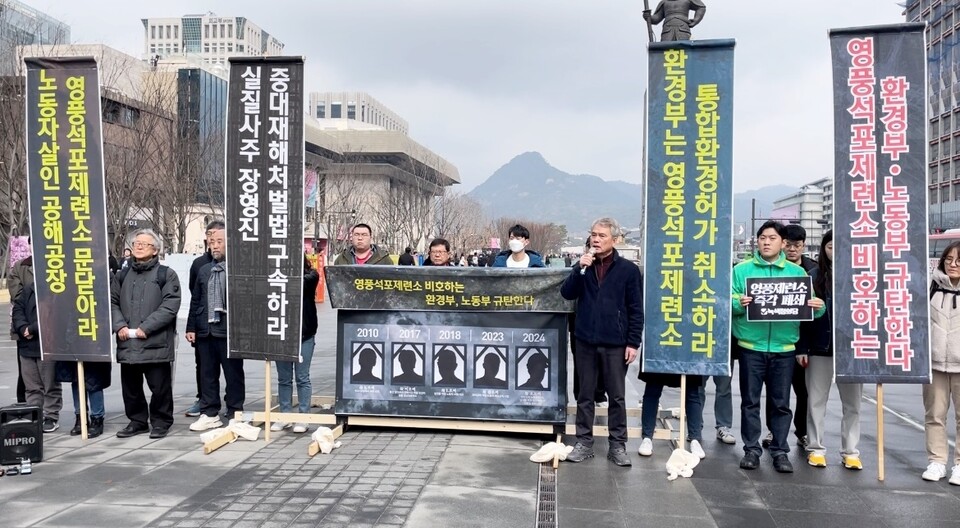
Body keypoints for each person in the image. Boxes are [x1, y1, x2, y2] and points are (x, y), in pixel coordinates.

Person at [733, 221, 825, 473]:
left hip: (785, 348)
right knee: (750, 401)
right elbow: (729, 303)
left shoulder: (798, 275)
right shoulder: (742, 270)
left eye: (771, 238)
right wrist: (739, 303)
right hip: (751, 346)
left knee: (781, 403)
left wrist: (819, 308)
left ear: (783, 243)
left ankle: (780, 451)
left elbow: (813, 310)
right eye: (762, 237)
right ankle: (751, 449)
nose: (765, 242)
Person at [561, 217, 643, 467]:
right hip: (585, 339)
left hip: (615, 342)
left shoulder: (628, 270)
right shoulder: (584, 266)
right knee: (585, 394)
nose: (596, 239)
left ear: (614, 240)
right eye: (593, 235)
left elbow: (635, 309)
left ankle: (617, 445)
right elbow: (567, 293)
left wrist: (633, 342)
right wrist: (578, 269)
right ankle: (584, 442)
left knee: (617, 396)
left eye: (602, 236)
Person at [796, 230, 863, 470]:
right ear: (824, 249)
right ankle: (815, 448)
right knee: (815, 401)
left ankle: (850, 451)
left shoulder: (862, 277)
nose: (835, 251)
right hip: (818, 348)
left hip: (853, 351)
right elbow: (802, 317)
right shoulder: (813, 277)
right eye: (831, 246)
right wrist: (801, 348)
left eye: (841, 246)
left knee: (853, 404)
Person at [111, 229, 181, 439]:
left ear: (155, 250)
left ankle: (161, 421)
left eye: (144, 244)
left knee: (160, 387)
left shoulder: (166, 274)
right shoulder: (122, 275)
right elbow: (112, 302)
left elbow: (170, 305)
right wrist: (120, 326)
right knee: (131, 388)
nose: (138, 246)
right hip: (128, 341)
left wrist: (146, 327)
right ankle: (137, 421)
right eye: (136, 243)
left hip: (155, 342)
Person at [760, 224, 817, 449]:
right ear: (783, 244)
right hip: (776, 343)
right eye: (789, 245)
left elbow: (814, 312)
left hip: (802, 344)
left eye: (798, 245)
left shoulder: (811, 271)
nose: (793, 249)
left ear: (803, 246)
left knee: (803, 392)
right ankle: (774, 432)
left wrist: (805, 347)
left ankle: (801, 431)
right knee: (776, 394)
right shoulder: (772, 268)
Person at [187, 225, 245, 431]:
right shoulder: (203, 269)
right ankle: (209, 411)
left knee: (233, 373)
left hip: (229, 330)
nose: (215, 246)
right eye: (212, 243)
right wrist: (191, 327)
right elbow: (195, 300)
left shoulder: (239, 268)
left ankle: (235, 410)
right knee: (207, 373)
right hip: (205, 329)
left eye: (219, 242)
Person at [923, 240, 960, 483]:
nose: (952, 265)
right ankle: (937, 461)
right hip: (933, 363)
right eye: (948, 259)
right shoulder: (931, 285)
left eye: (958, 260)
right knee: (935, 415)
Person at [272, 255, 320, 434]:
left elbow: (298, 284)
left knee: (302, 377)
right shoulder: (275, 277)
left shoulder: (311, 276)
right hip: (282, 334)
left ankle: (303, 416)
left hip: (304, 334)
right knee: (283, 379)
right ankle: (285, 415)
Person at [184, 220, 223, 417]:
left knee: (231, 369)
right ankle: (205, 403)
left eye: (218, 238)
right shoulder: (199, 264)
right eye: (210, 237)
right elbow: (195, 295)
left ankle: (233, 409)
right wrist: (192, 326)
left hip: (224, 328)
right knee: (205, 368)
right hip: (203, 325)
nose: (214, 242)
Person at [12, 282, 63, 433]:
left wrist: (32, 328)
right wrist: (22, 328)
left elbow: (55, 314)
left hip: (47, 344)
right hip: (26, 345)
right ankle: (35, 413)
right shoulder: (29, 288)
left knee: (50, 385)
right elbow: (17, 310)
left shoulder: (55, 288)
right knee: (31, 386)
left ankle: (51, 416)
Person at [638, 371, 706, 459]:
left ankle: (695, 439)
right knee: (652, 388)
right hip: (660, 359)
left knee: (692, 392)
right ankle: (647, 438)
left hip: (688, 358)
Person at [8, 251, 33, 405]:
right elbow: (18, 297)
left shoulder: (55, 264)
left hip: (50, 327)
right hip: (25, 327)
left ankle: (50, 412)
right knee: (26, 372)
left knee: (50, 374)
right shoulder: (20, 266)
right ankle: (25, 406)